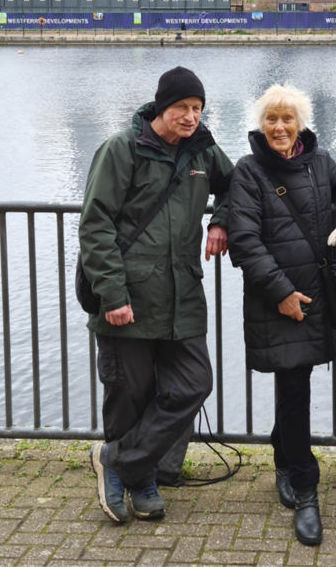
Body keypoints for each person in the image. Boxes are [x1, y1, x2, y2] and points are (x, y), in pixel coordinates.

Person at [80, 67, 233, 523]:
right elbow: (96, 225)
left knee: (193, 383)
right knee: (129, 394)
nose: (190, 116)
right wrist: (113, 295)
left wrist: (221, 220)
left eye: (197, 108)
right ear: (161, 107)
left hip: (183, 295)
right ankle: (140, 479)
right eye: (182, 107)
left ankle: (117, 460)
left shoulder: (203, 151)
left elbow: (237, 185)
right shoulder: (122, 149)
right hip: (129, 296)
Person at [227, 83, 336, 546]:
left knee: (295, 387)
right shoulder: (248, 171)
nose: (280, 127)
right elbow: (245, 242)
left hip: (316, 296)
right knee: (294, 388)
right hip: (279, 302)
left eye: (288, 119)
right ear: (261, 124)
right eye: (272, 119)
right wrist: (282, 293)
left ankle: (284, 457)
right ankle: (306, 490)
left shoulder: (320, 161)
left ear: (301, 123)